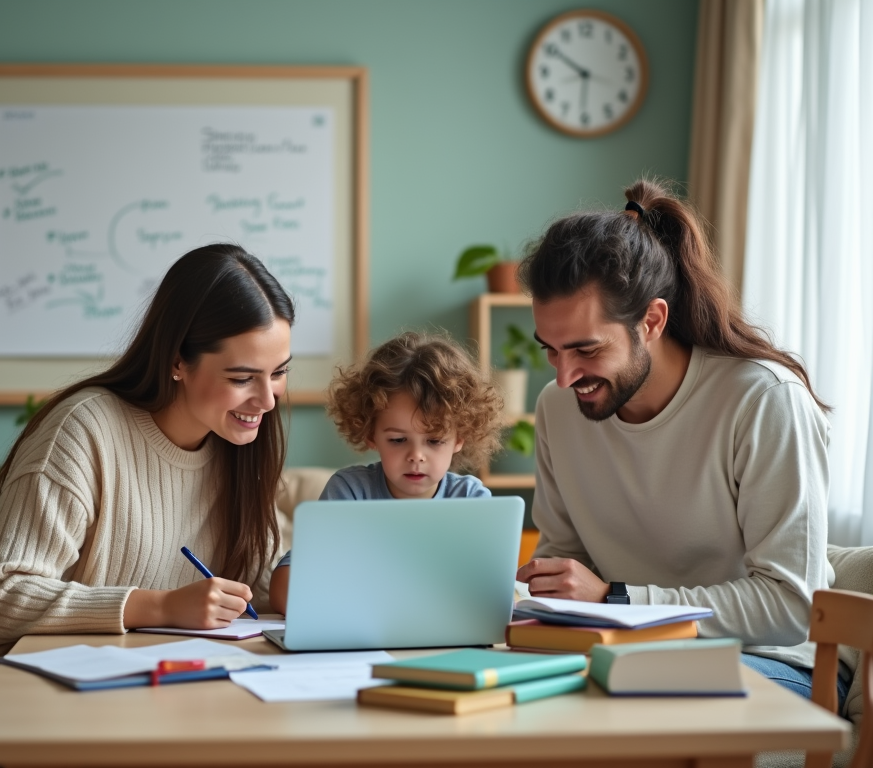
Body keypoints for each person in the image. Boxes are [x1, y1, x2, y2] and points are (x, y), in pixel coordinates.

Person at [0, 243, 294, 738]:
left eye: (279, 372)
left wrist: (298, 582)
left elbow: (258, 582)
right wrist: (159, 607)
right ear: (179, 360)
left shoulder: (236, 451)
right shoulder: (85, 430)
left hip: (113, 695)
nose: (266, 400)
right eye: (243, 377)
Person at [514, 178, 851, 707]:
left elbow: (792, 606)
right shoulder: (559, 409)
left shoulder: (763, 401)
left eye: (584, 349)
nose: (563, 376)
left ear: (651, 320)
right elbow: (565, 563)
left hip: (766, 659)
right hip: (621, 653)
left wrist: (618, 600)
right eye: (551, 351)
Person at [269, 331, 505, 614]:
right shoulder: (350, 492)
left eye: (434, 440)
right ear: (371, 434)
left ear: (460, 438)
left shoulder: (472, 500)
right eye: (397, 440)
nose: (416, 455)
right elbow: (285, 590)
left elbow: (492, 591)